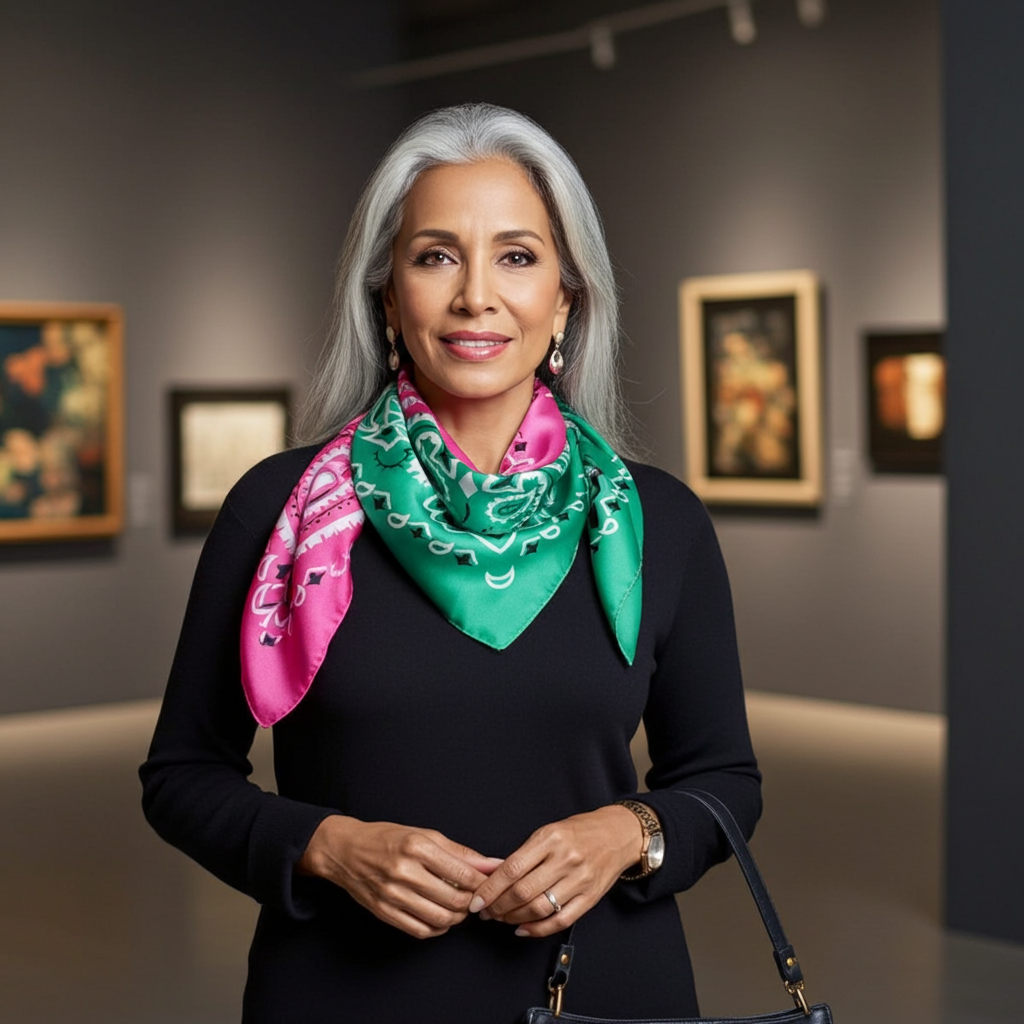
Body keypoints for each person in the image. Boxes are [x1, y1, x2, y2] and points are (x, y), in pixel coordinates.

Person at [140, 103, 760, 1024]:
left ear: (566, 299)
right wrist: (327, 846)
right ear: (389, 299)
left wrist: (628, 832)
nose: (476, 296)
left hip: (600, 992)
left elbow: (725, 781)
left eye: (517, 257)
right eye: (436, 256)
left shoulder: (657, 521)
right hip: (342, 997)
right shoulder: (280, 511)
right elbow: (182, 776)